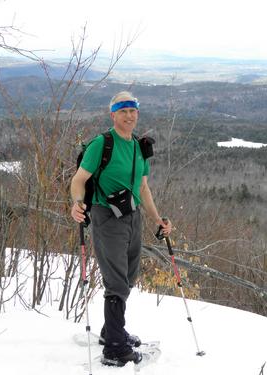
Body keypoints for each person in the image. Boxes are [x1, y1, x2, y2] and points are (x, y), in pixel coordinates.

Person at [70, 91, 172, 367]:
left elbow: (142, 187)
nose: (129, 116)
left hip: (132, 216)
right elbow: (79, 180)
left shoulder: (140, 147)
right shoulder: (102, 144)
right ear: (112, 114)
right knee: (116, 281)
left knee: (128, 277)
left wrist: (157, 219)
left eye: (133, 110)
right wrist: (77, 203)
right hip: (106, 217)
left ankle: (110, 331)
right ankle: (115, 348)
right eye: (123, 111)